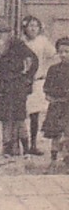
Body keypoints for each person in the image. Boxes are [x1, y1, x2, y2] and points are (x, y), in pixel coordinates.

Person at [0, 17, 38, 160]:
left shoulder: (17, 44)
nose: (0, 34)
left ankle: (26, 148)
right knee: (4, 118)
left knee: (19, 117)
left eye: (3, 31)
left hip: (16, 85)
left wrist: (28, 78)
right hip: (1, 87)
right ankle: (7, 147)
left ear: (9, 32)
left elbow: (33, 59)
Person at [22, 15, 56, 156]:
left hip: (37, 82)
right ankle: (21, 145)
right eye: (30, 25)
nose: (33, 28)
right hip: (23, 82)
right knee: (21, 115)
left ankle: (33, 144)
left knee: (35, 115)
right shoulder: (21, 42)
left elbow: (53, 54)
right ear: (25, 28)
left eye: (36, 25)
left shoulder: (42, 41)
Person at [42, 36, 69, 171]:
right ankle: (53, 160)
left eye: (67, 51)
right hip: (56, 106)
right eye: (61, 52)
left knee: (68, 133)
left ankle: (67, 160)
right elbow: (46, 89)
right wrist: (51, 96)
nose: (63, 55)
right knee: (55, 134)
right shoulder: (53, 69)